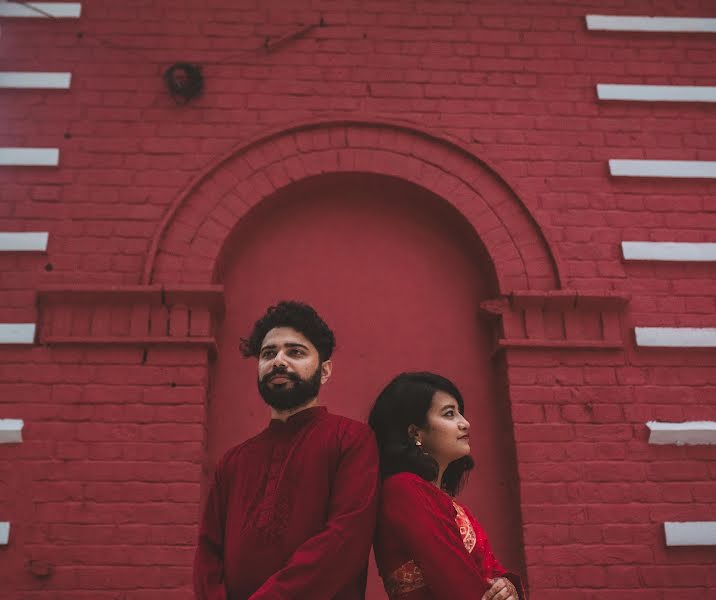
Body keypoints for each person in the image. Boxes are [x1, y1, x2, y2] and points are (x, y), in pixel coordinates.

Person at [193, 301, 380, 600]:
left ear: (325, 370)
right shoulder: (233, 462)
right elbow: (208, 554)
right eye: (268, 354)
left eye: (295, 352)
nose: (278, 361)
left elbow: (344, 541)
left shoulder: (352, 440)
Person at [368, 372, 525, 600]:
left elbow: (492, 572)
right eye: (449, 414)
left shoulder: (448, 502)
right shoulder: (403, 489)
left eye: (460, 412)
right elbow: (455, 582)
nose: (465, 423)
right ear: (415, 433)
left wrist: (506, 587)